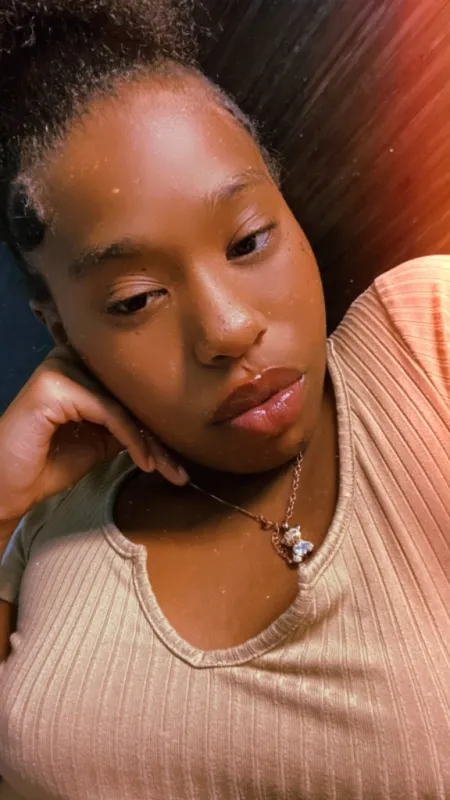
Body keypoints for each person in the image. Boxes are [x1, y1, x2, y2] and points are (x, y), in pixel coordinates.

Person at [0, 1, 448, 798]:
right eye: (136, 299)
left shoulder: (427, 343)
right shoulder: (42, 522)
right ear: (61, 330)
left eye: (249, 241)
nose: (229, 329)